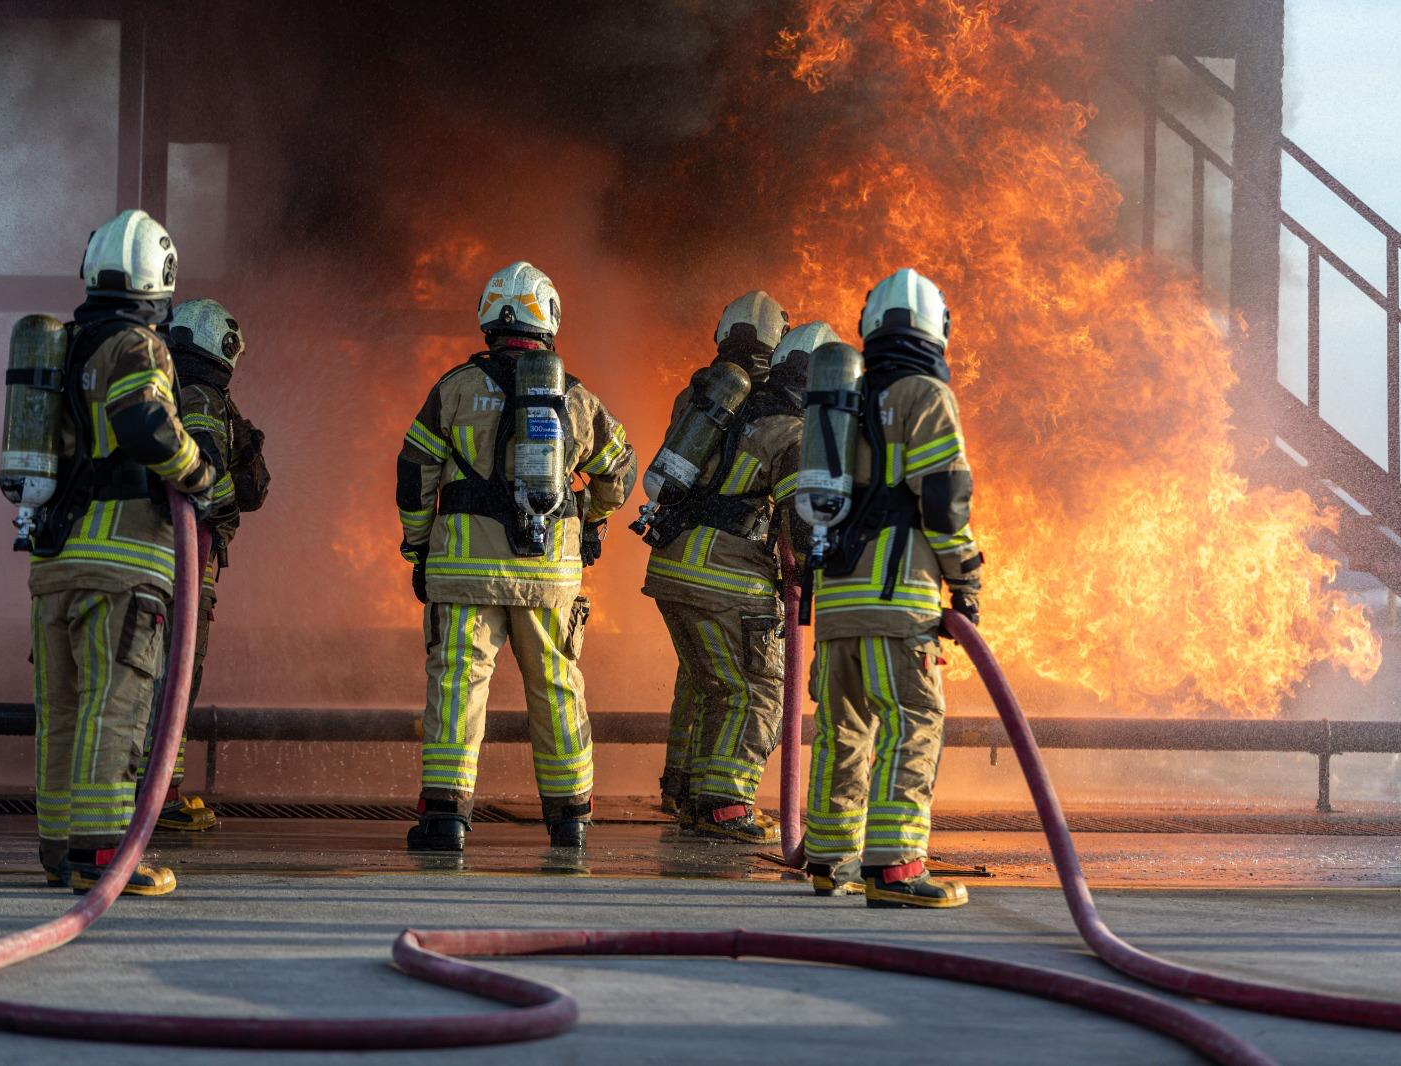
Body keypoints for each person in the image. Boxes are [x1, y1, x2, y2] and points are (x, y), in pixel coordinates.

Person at [396, 261, 637, 852]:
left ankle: (445, 818)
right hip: (547, 572)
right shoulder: (575, 397)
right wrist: (593, 516)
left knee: (457, 685)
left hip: (463, 571)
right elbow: (621, 471)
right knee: (556, 684)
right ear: (549, 319)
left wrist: (417, 545)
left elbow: (413, 472)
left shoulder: (452, 388)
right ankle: (570, 817)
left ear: (488, 317)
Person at [29, 209, 215, 896]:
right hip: (124, 561)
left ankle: (59, 848)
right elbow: (144, 424)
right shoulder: (138, 345)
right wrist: (199, 474)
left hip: (54, 561)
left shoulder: (63, 347)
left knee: (62, 710)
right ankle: (104, 856)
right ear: (161, 276)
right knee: (117, 704)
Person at [802, 269, 982, 907]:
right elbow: (942, 500)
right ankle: (896, 867)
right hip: (897, 595)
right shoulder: (924, 394)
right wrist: (965, 578)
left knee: (841, 728)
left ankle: (827, 858)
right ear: (937, 328)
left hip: (837, 600)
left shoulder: (841, 399)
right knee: (914, 720)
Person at [638, 296, 823, 844]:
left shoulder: (705, 402)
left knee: (706, 681)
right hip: (727, 577)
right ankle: (725, 802)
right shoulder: (791, 429)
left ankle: (687, 791)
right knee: (755, 688)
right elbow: (802, 524)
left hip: (672, 562)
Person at [140, 298, 271, 831]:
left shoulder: (172, 390)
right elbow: (204, 475)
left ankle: (159, 793)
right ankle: (156, 800)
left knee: (168, 679)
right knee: (171, 680)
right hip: (182, 565)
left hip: (175, 561)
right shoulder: (199, 395)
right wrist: (237, 491)